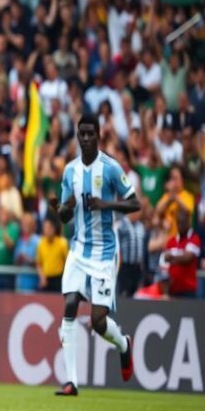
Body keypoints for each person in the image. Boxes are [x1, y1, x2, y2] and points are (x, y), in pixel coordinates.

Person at [50, 113, 140, 396]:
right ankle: (72, 382)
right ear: (77, 136)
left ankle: (124, 344)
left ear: (99, 135)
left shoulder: (111, 169)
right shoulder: (70, 171)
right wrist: (61, 208)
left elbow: (135, 203)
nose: (86, 138)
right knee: (70, 304)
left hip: (104, 254)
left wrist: (106, 204)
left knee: (98, 322)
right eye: (82, 134)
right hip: (78, 248)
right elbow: (65, 216)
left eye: (91, 134)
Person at [159, 209, 201, 298]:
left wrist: (172, 258)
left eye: (183, 222)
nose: (180, 226)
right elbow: (165, 258)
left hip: (188, 289)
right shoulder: (171, 241)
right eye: (178, 223)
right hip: (172, 288)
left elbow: (187, 258)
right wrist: (179, 257)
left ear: (188, 222)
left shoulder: (194, 239)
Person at [36, 217, 69, 292]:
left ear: (54, 228)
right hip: (46, 279)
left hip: (58, 278)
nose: (47, 230)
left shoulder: (62, 243)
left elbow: (67, 262)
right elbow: (38, 263)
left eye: (49, 227)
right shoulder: (41, 243)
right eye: (45, 227)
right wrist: (42, 277)